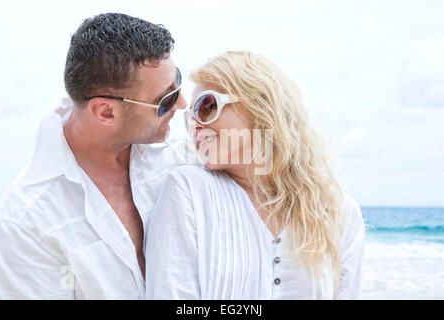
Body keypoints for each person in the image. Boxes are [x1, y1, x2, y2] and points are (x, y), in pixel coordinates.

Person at [0, 13, 187, 299]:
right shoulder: (23, 224)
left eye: (178, 82)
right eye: (165, 100)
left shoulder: (181, 154)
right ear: (106, 112)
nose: (182, 104)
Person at [145, 51, 365, 299]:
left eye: (206, 107)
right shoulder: (188, 190)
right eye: (189, 119)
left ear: (259, 104)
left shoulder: (339, 213)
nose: (195, 126)